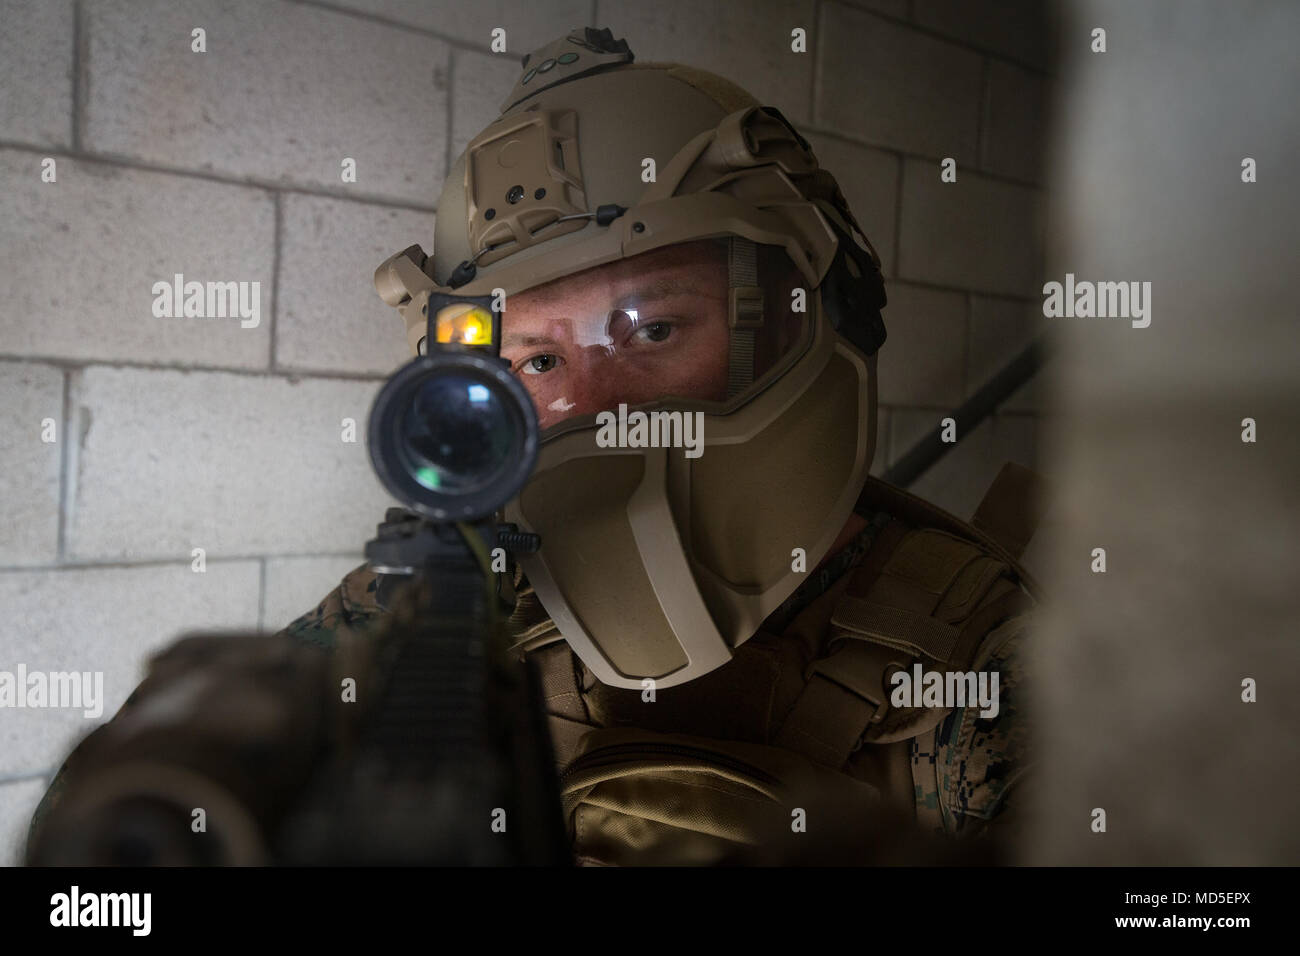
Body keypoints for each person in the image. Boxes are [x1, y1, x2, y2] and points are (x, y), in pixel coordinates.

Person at [29, 27, 1040, 866]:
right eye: (538, 362)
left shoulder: (1000, 662)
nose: (596, 404)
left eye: (652, 329)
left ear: (816, 308)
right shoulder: (447, 595)